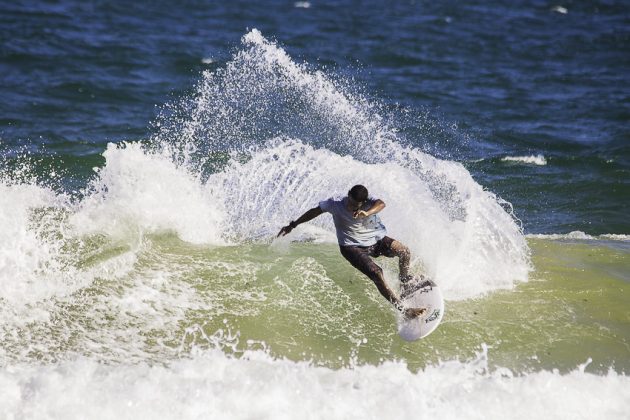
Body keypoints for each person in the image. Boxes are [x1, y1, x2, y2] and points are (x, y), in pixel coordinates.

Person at [277, 184, 426, 319]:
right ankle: (404, 310)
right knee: (377, 273)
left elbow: (381, 204)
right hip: (351, 247)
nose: (352, 208)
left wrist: (366, 213)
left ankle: (404, 282)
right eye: (351, 203)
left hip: (375, 239)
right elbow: (314, 212)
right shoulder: (335, 204)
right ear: (348, 195)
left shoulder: (369, 203)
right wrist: (293, 225)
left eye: (357, 206)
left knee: (404, 252)